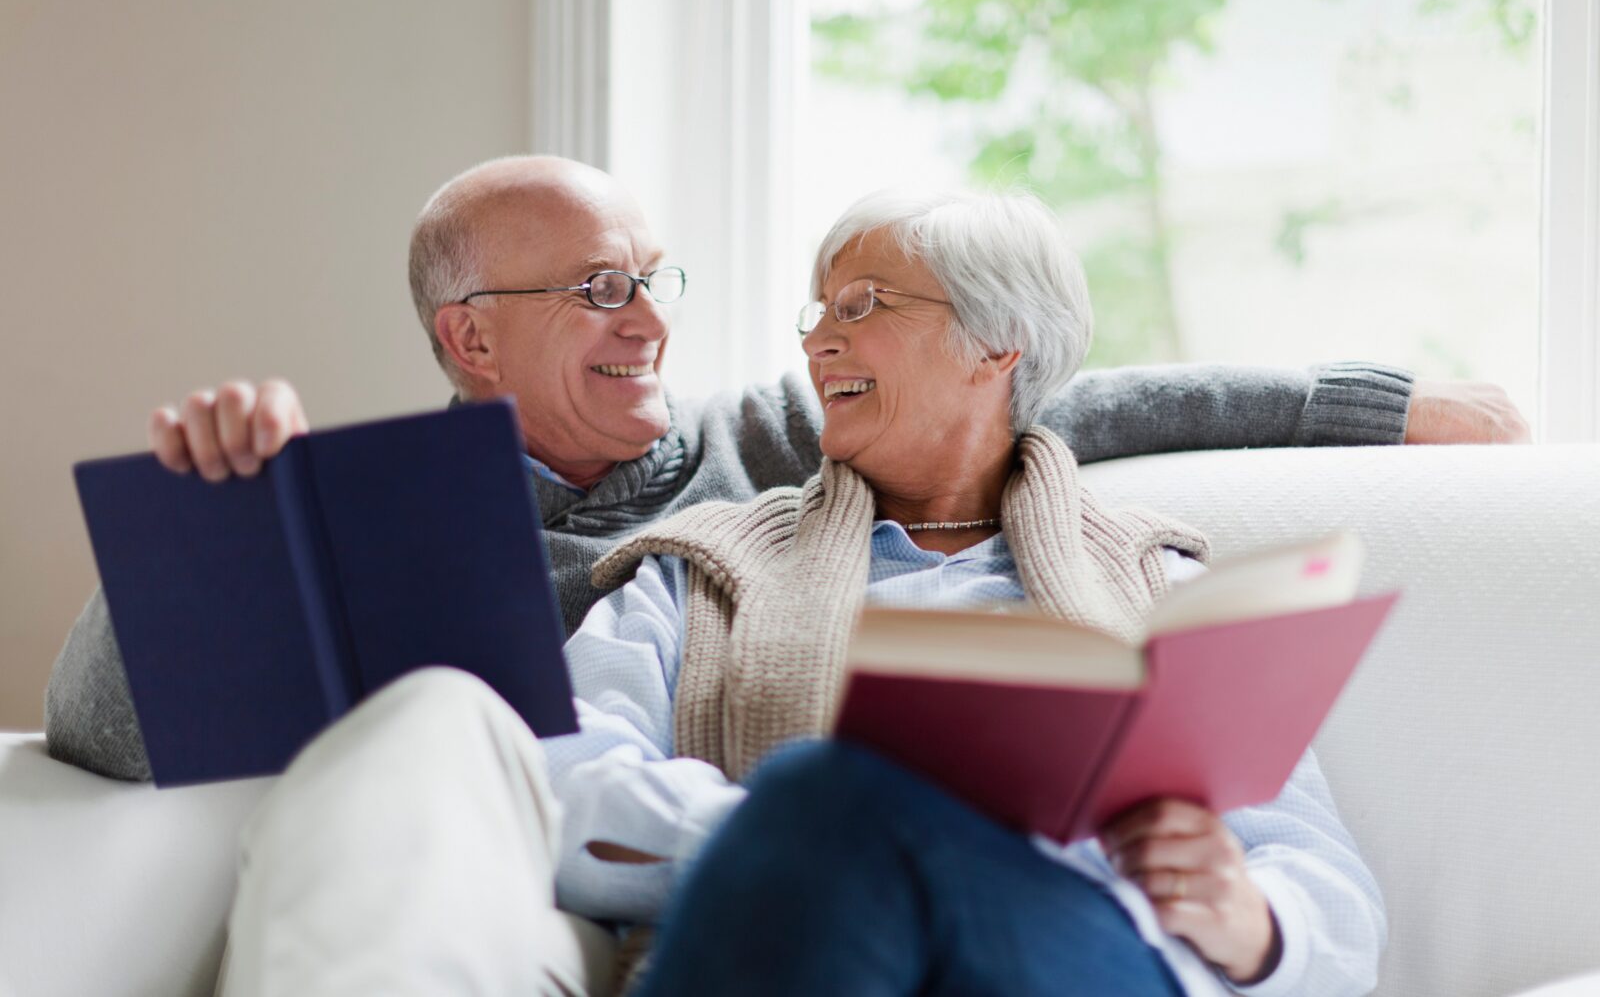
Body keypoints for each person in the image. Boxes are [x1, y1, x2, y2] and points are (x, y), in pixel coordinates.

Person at [217, 187, 1385, 996]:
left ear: (998, 346)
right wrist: (802, 836)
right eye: (816, 311)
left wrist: (1250, 918)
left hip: (1058, 955)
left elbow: (1324, 877)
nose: (819, 340)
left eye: (863, 306)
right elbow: (564, 788)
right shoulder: (699, 566)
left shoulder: (1158, 583)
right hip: (769, 944)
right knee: (841, 791)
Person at [47, 156, 1521, 784]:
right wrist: (224, 530)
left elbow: (1094, 398)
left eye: (652, 276)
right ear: (470, 340)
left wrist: (1381, 406)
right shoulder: (376, 524)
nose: (650, 321)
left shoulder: (782, 444)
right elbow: (102, 735)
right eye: (595, 291)